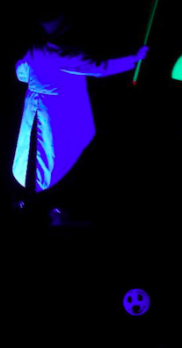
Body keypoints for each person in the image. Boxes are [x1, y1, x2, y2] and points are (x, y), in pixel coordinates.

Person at [12, 9, 148, 220]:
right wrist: (134, 58)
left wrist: (40, 80)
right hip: (56, 111)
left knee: (36, 155)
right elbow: (100, 68)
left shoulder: (36, 49)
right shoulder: (63, 52)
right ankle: (41, 202)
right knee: (54, 156)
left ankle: (31, 200)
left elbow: (21, 73)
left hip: (36, 107)